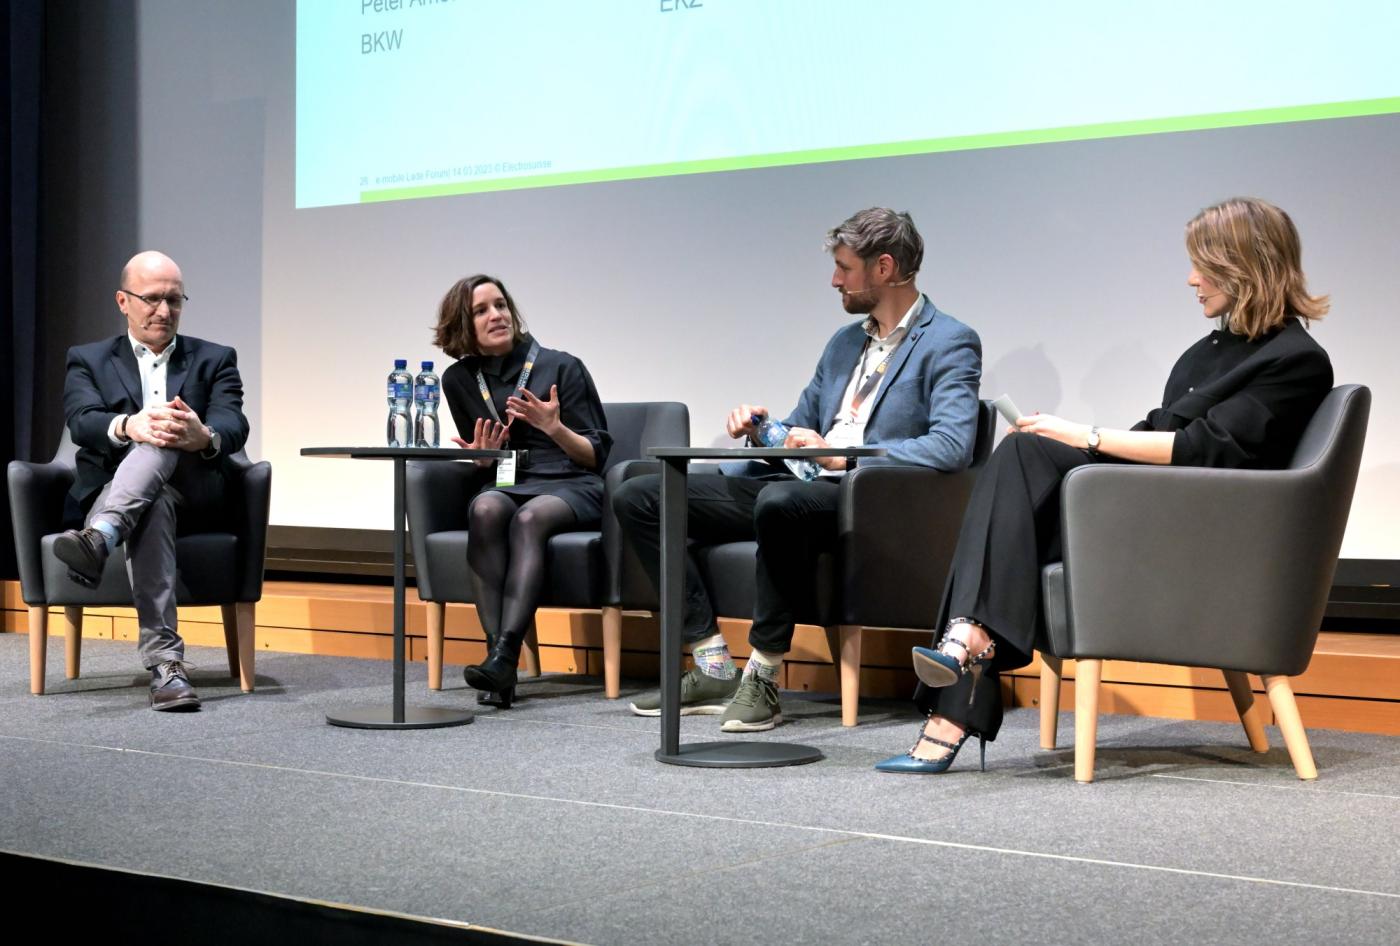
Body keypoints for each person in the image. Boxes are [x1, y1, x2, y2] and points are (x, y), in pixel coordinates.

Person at [875, 196, 1334, 774]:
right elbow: (1158, 433)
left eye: (1204, 265)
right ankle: (969, 643)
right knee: (1025, 452)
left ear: (1247, 264)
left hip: (1199, 535)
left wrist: (1083, 434)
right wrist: (1073, 439)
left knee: (1026, 458)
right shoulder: (1207, 352)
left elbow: (1200, 451)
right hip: (1147, 508)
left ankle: (962, 667)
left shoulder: (1297, 360)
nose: (1192, 279)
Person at [615, 207, 982, 732]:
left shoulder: (949, 341)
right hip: (801, 490)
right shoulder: (843, 344)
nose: (835, 281)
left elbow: (950, 447)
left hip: (869, 502)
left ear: (883, 268)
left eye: (844, 268)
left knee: (780, 502)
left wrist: (844, 457)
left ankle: (762, 676)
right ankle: (715, 666)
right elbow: (802, 428)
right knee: (645, 496)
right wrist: (764, 428)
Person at [54, 251, 251, 711]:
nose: (164, 311)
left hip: (196, 491)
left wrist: (202, 435)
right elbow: (82, 421)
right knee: (152, 492)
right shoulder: (88, 359)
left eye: (174, 300)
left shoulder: (215, 358)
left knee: (166, 432)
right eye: (152, 299)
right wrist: (129, 426)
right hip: (118, 489)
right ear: (123, 301)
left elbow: (234, 424)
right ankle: (166, 668)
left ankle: (100, 536)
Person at [434, 275, 612, 708]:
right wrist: (484, 459)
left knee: (531, 518)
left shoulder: (562, 366)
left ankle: (505, 653)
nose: (496, 316)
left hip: (572, 480)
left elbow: (595, 455)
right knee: (486, 508)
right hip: (513, 480)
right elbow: (488, 456)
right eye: (481, 310)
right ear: (464, 324)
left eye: (500, 305)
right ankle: (499, 663)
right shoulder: (458, 379)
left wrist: (554, 427)